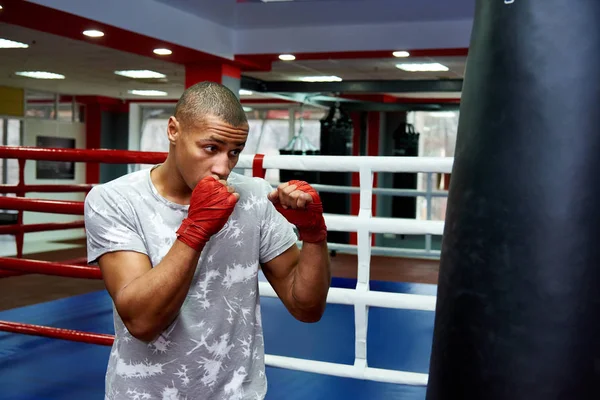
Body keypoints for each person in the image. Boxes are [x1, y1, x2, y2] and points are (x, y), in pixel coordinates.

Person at [84, 81, 331, 400]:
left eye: (234, 152)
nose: (223, 167)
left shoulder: (254, 197)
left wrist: (314, 236)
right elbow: (142, 322)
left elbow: (306, 308)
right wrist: (196, 228)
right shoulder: (115, 200)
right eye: (210, 148)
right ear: (174, 130)